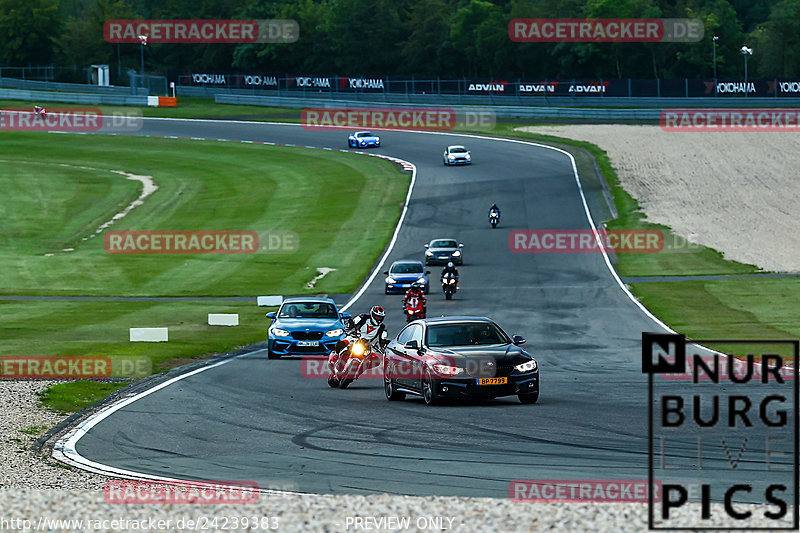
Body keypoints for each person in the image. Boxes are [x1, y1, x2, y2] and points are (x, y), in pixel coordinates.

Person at [330, 305, 388, 376]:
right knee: (340, 344)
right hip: (354, 338)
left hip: (367, 344)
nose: (378, 319)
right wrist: (349, 326)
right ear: (372, 314)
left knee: (376, 361)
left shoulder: (382, 328)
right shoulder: (362, 317)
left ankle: (358, 372)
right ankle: (336, 357)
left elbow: (383, 340)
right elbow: (352, 322)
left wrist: (384, 347)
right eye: (377, 316)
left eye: (380, 317)